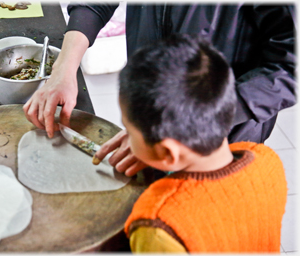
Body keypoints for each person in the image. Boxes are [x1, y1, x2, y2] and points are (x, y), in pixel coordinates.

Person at [23, 3, 296, 177]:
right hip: (154, 125)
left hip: (224, 134)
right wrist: (64, 66)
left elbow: (289, 68)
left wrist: (182, 125)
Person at [117, 34, 287, 253]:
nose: (126, 139)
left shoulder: (158, 222)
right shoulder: (266, 160)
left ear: (168, 152)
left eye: (129, 131)